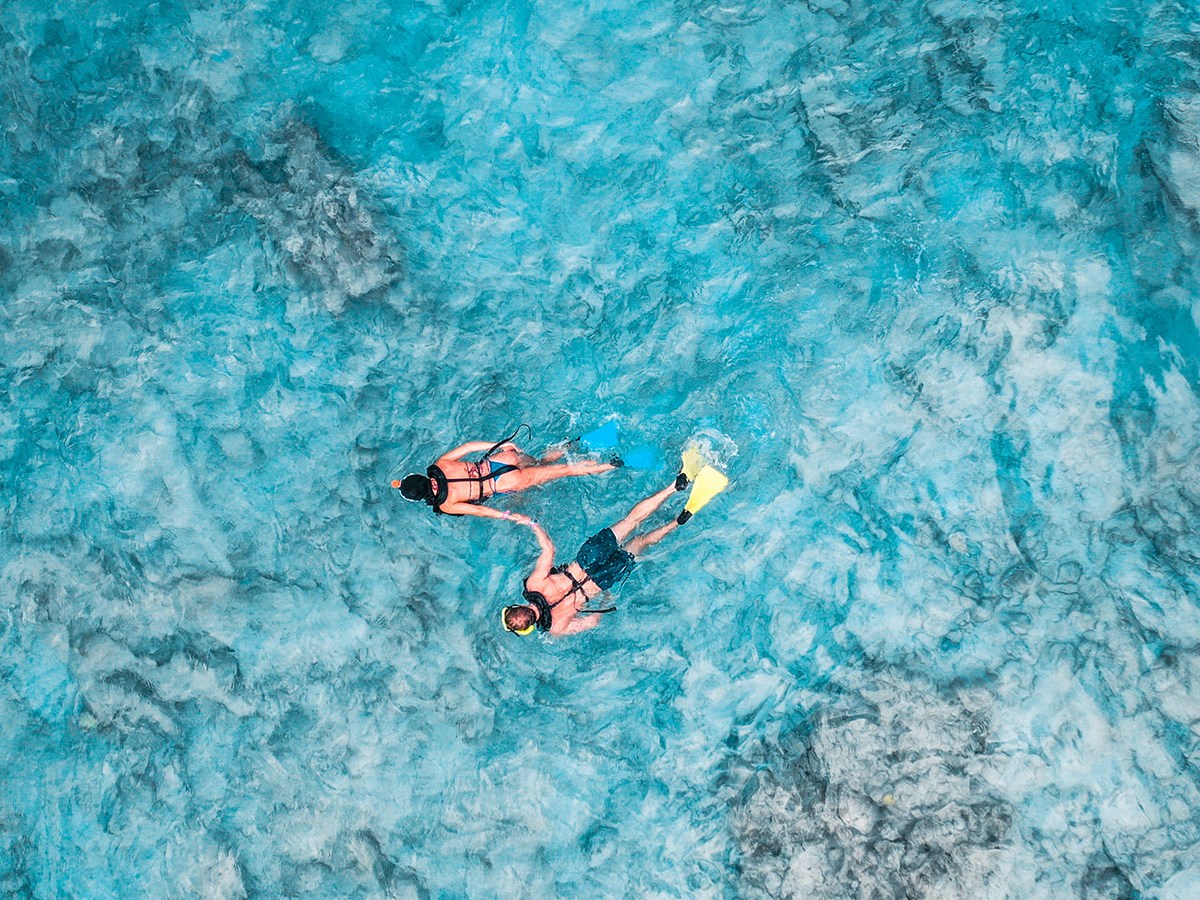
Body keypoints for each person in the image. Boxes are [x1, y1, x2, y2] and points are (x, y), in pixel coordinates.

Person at [500, 474, 692, 636]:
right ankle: (673, 487)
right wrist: (532, 524)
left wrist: (607, 598)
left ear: (530, 628)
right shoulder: (534, 585)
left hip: (600, 581)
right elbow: (549, 549)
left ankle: (677, 521)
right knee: (630, 521)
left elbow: (592, 621)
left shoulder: (556, 627)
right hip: (587, 559)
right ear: (518, 605)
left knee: (640, 542)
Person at [394, 428, 618, 520]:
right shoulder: (440, 464)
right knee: (540, 460)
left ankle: (613, 463)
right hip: (501, 460)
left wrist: (509, 516)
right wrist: (502, 445)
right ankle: (583, 442)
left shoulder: (445, 504)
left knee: (566, 470)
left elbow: (480, 511)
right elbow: (471, 446)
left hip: (505, 482)